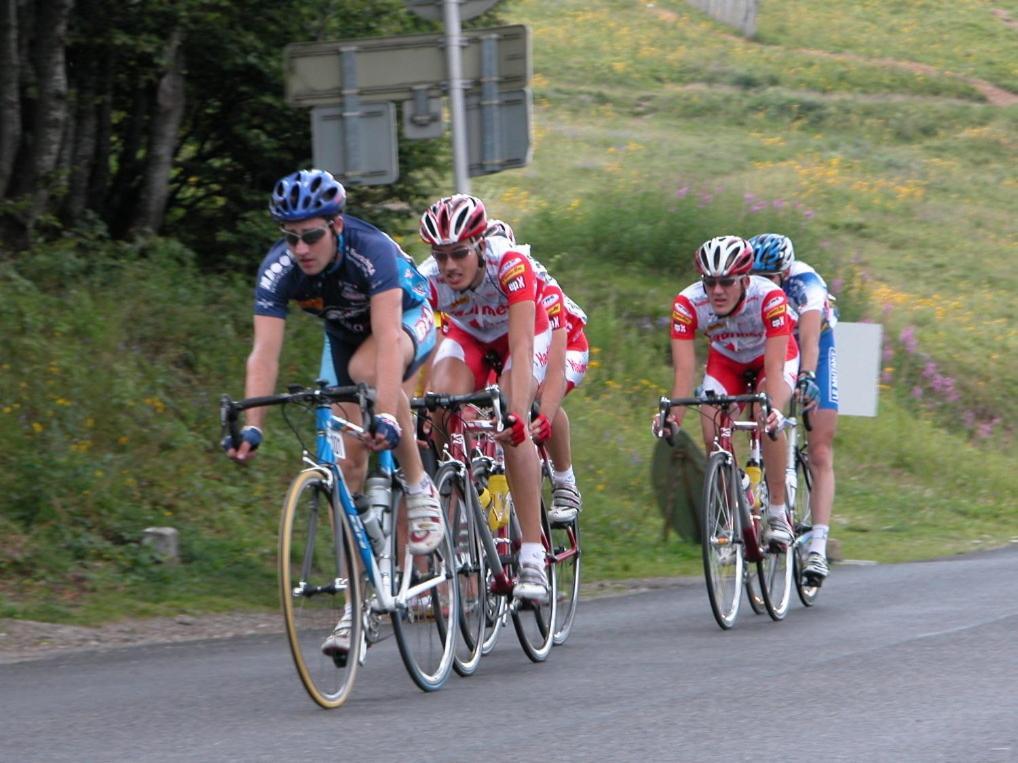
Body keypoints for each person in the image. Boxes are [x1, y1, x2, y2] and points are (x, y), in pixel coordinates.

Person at [224, 168, 441, 656]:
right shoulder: (279, 269)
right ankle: (357, 606)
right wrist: (253, 427)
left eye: (312, 236)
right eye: (291, 237)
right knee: (345, 466)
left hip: (407, 317)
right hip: (343, 334)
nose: (301, 249)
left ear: (337, 226)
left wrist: (386, 414)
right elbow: (264, 354)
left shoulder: (372, 250)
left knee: (371, 373)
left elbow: (387, 343)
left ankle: (418, 485)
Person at [418, 195, 551, 602]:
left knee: (512, 427)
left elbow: (522, 342)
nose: (449, 267)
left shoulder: (510, 264)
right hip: (470, 338)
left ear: (479, 245)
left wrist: (516, 410)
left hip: (519, 340)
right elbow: (418, 343)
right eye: (440, 257)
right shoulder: (426, 278)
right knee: (435, 403)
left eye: (459, 254)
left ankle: (532, 555)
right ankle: (452, 493)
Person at [657, 235, 798, 547]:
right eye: (709, 282)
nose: (717, 291)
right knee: (711, 430)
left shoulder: (770, 297)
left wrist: (774, 408)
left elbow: (775, 367)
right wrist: (673, 419)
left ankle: (776, 512)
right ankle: (735, 500)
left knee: (765, 413)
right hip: (727, 361)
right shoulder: (687, 303)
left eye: (726, 282)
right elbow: (683, 372)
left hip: (771, 358)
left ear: (745, 279)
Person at [485, 219, 589, 524]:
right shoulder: (474, 290)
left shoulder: (541, 286)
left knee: (540, 394)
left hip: (567, 345)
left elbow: (553, 361)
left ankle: (565, 480)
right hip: (517, 346)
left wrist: (543, 413)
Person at [749, 233, 838, 582]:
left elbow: (811, 340)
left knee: (819, 449)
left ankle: (817, 549)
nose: (759, 283)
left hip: (814, 341)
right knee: (759, 414)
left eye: (768, 277)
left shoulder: (807, 285)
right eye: (753, 275)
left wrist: (807, 376)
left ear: (784, 274)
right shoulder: (749, 287)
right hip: (775, 342)